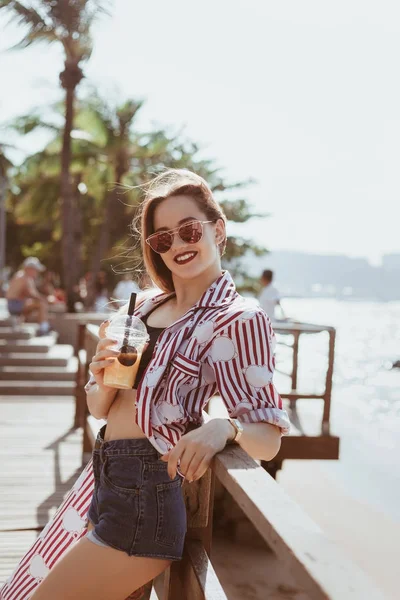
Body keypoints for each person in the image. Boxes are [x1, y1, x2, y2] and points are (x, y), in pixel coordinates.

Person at [2, 170, 290, 600]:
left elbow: (267, 439)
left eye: (189, 229)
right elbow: (101, 409)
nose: (178, 245)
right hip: (104, 477)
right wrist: (100, 377)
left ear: (218, 229)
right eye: (162, 239)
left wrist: (223, 427)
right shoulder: (145, 308)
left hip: (145, 501)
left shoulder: (238, 320)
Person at [5, 256, 51, 335]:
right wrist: (45, 299)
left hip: (16, 303)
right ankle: (44, 328)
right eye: (36, 270)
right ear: (29, 269)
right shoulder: (23, 277)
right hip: (14, 304)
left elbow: (33, 293)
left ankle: (19, 322)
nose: (37, 272)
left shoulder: (25, 277)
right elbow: (32, 294)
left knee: (35, 303)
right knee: (41, 304)